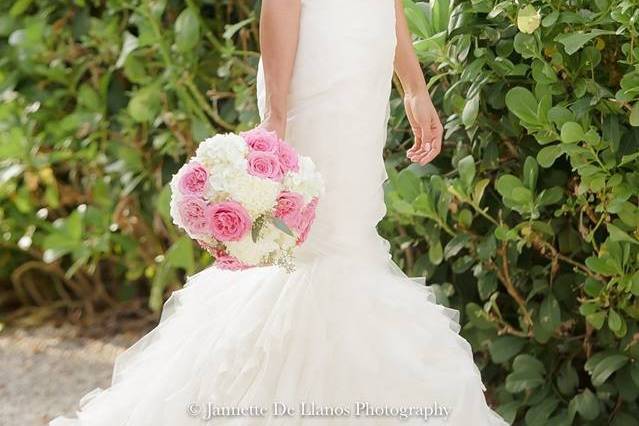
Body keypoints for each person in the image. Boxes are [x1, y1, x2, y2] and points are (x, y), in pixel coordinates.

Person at [50, 0, 509, 424]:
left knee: (346, 241)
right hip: (319, 71)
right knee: (315, 247)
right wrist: (275, 115)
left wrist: (413, 84)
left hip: (362, 69)